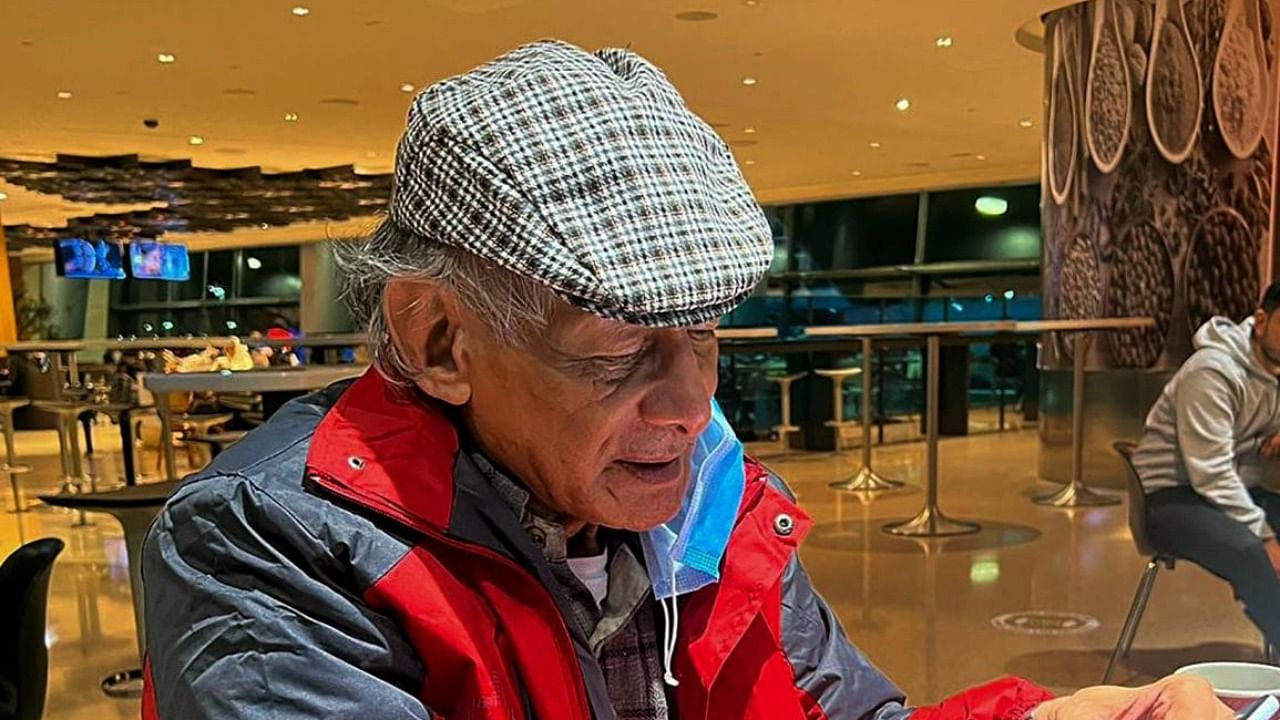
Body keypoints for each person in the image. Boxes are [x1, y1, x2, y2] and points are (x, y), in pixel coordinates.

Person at [141, 41, 1230, 719]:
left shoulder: (706, 498)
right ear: (437, 342)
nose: (687, 405)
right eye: (616, 349)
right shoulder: (265, 548)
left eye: (704, 336)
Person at [1134, 284, 1280, 650]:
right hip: (1170, 497)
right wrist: (1266, 537)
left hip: (1234, 489)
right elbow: (1210, 473)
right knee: (1252, 552)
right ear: (1261, 321)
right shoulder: (1212, 372)